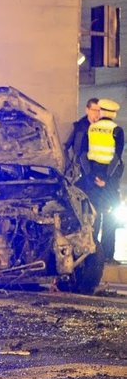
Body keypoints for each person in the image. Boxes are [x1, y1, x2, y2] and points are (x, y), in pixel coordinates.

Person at [84, 98, 125, 262]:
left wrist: (91, 176)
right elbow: (116, 158)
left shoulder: (91, 129)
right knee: (110, 219)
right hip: (109, 180)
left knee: (93, 218)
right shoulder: (117, 130)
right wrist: (107, 180)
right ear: (114, 114)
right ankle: (108, 256)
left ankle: (92, 254)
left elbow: (84, 155)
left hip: (93, 179)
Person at [65, 97, 100, 182]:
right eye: (94, 110)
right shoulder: (79, 127)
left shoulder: (102, 128)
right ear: (87, 110)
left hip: (98, 171)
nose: (97, 113)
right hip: (82, 172)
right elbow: (78, 152)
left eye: (99, 111)